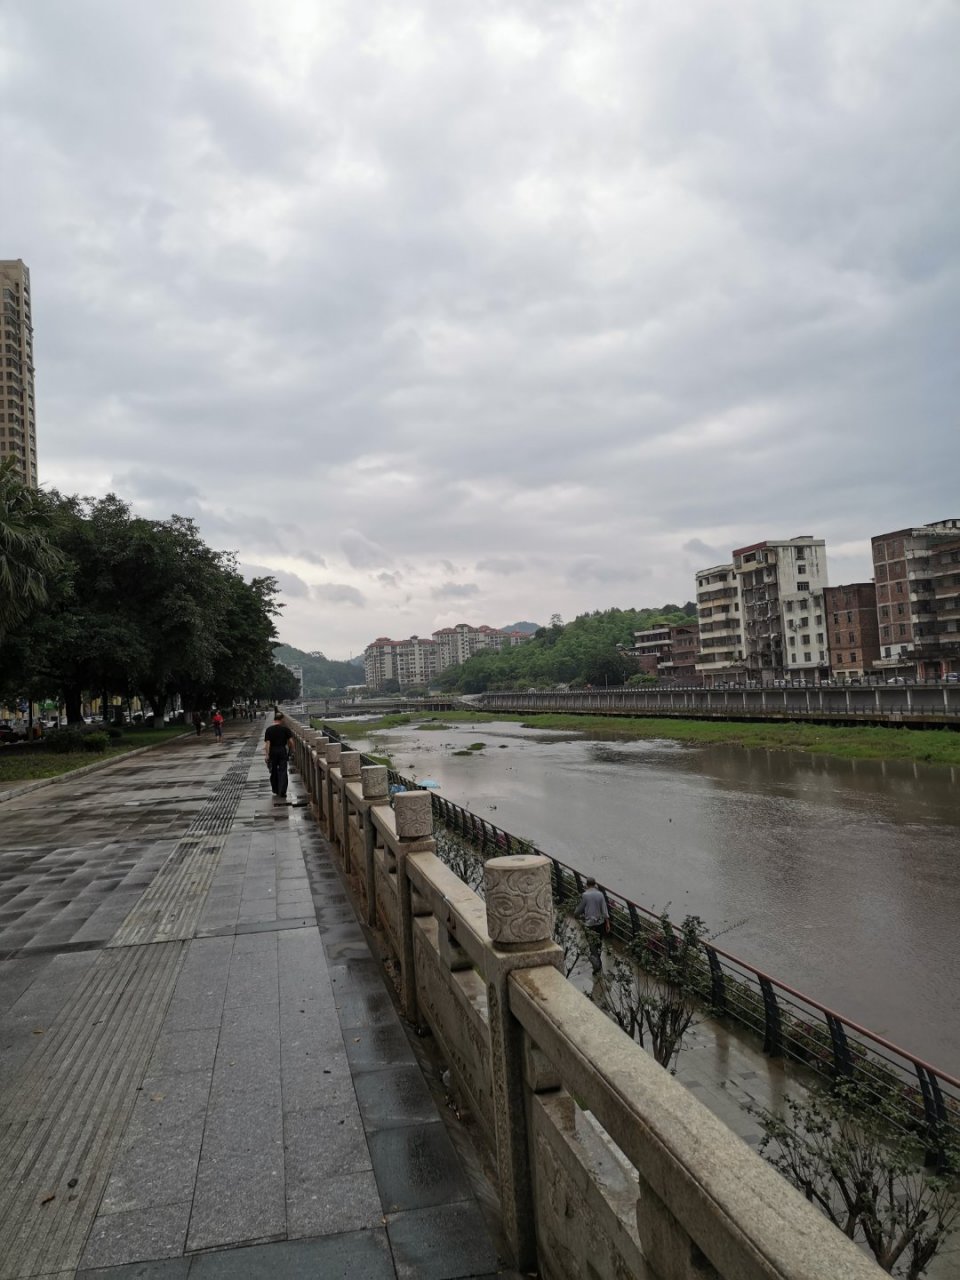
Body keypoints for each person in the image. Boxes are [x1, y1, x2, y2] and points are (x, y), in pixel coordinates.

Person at [574, 876, 610, 974]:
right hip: (601, 923)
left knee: (592, 945)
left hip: (590, 924)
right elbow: (604, 910)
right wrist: (607, 923)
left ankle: (597, 966)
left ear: (587, 884)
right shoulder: (601, 894)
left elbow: (578, 911)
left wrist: (578, 915)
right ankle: (598, 963)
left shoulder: (585, 895)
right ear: (595, 884)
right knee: (599, 943)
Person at [263, 710, 293, 803]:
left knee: (274, 771)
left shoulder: (269, 730)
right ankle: (282, 791)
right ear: (282, 719)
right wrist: (291, 750)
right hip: (282, 750)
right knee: (283, 770)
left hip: (273, 751)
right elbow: (291, 742)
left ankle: (275, 789)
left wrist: (267, 755)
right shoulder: (285, 729)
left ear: (275, 719)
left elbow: (268, 744)